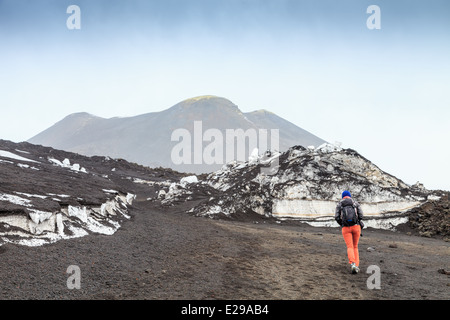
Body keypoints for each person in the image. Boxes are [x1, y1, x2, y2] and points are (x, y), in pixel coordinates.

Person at [335, 190, 364, 274]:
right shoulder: (355, 203)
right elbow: (361, 215)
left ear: (342, 196)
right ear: (349, 196)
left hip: (346, 228)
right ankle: (357, 266)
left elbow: (337, 217)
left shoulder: (339, 204)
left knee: (349, 247)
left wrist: (343, 224)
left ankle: (353, 264)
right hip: (356, 227)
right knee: (355, 246)